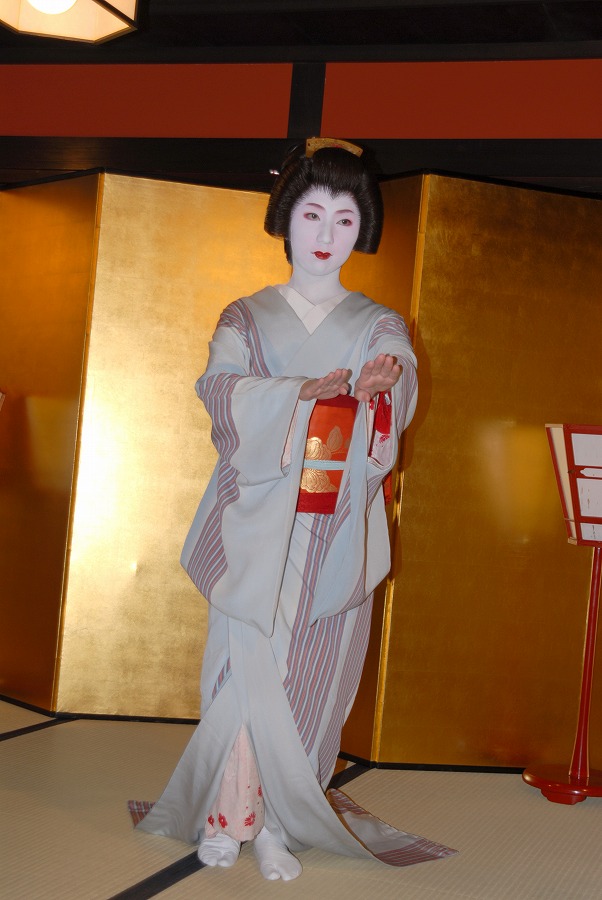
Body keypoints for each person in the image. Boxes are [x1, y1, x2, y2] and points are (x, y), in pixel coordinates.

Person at [131, 137, 456, 880]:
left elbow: (399, 386)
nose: (326, 234)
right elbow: (219, 391)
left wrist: (377, 393)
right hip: (255, 521)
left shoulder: (380, 324)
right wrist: (296, 395)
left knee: (310, 679)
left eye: (344, 219)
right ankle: (225, 815)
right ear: (286, 218)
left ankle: (279, 824)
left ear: (362, 228)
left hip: (334, 527)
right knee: (240, 675)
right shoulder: (246, 315)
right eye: (312, 214)